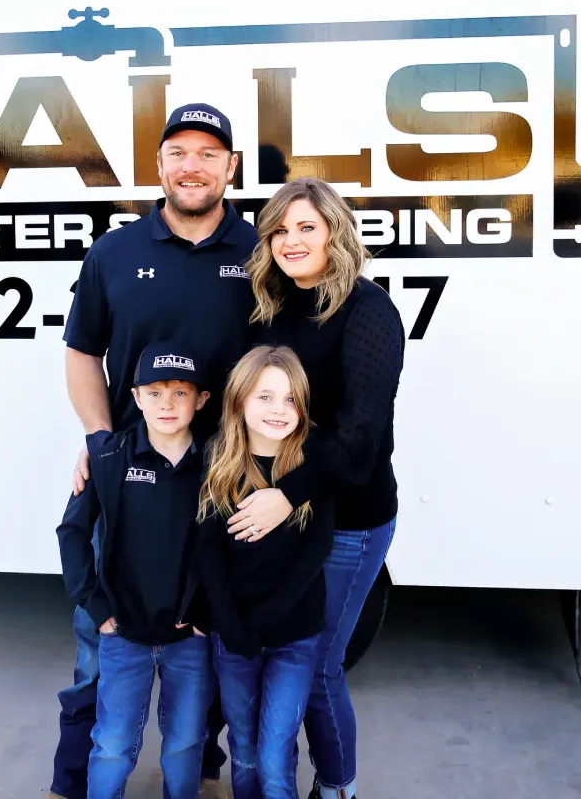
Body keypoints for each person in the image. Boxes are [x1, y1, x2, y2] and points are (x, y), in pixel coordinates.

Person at [52, 102, 291, 799]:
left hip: (225, 485)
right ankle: (72, 780)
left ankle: (201, 770)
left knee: (208, 637)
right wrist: (100, 444)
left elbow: (290, 362)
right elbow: (81, 352)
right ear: (158, 167)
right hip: (129, 481)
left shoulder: (261, 252)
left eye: (208, 154)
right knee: (101, 644)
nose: (193, 166)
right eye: (178, 152)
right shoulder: (115, 251)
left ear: (231, 167)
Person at [226, 177, 405, 799]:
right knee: (272, 661)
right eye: (280, 229)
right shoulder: (270, 308)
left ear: (334, 230)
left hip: (348, 519)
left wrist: (285, 493)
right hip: (280, 514)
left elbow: (360, 438)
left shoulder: (367, 309)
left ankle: (336, 789)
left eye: (307, 226)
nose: (292, 240)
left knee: (318, 668)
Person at [55, 340, 215, 799]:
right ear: (135, 396)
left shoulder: (217, 462)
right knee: (113, 744)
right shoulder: (108, 457)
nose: (167, 404)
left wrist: (208, 613)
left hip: (189, 640)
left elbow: (228, 545)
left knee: (185, 744)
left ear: (201, 399)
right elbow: (72, 532)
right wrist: (94, 603)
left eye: (180, 392)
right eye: (155, 392)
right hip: (123, 634)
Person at [197, 345, 335, 799]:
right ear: (238, 399)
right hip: (233, 637)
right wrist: (230, 625)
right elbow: (209, 552)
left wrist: (270, 618)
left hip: (293, 634)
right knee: (245, 750)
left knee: (275, 758)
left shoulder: (312, 467)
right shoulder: (220, 461)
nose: (279, 409)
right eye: (265, 397)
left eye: (291, 399)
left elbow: (315, 553)